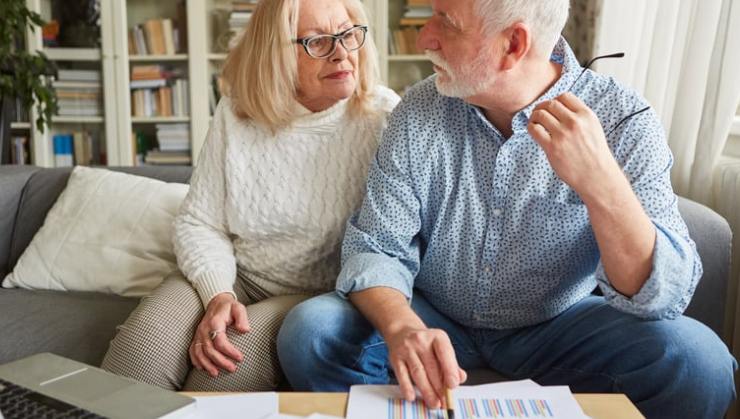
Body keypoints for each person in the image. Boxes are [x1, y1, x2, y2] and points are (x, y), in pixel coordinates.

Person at [276, 0, 737, 417]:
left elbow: (664, 294)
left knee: (701, 364)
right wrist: (402, 328)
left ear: (513, 44)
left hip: (561, 326)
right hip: (434, 316)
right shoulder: (417, 111)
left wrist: (602, 184)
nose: (424, 38)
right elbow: (376, 247)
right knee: (311, 333)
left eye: (446, 24)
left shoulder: (623, 119)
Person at [101, 0, 399, 392]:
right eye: (316, 42)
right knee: (141, 352)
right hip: (237, 275)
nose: (342, 52)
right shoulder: (237, 112)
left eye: (347, 34)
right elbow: (200, 221)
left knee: (220, 371)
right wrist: (218, 295)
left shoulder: (384, 116)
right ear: (275, 53)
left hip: (315, 295)